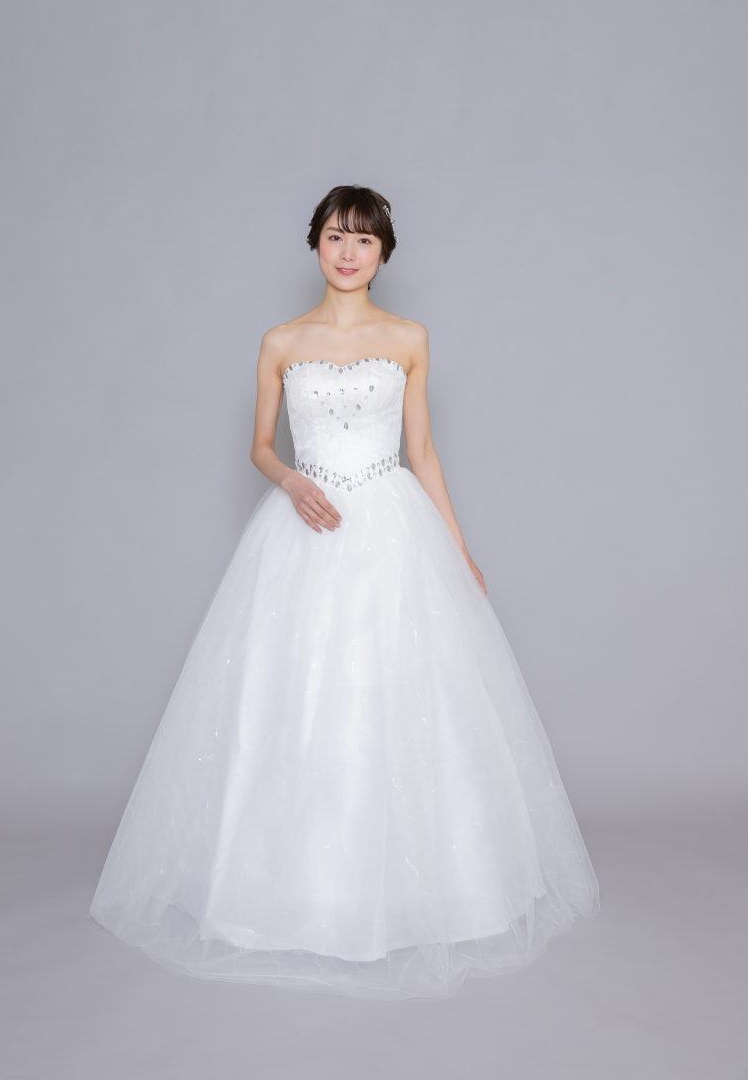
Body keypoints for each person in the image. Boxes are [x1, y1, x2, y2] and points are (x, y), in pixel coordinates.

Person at [89, 185, 598, 999]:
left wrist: (459, 550)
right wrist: (293, 481)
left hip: (394, 528)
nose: (349, 252)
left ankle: (419, 894)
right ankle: (296, 895)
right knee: (293, 695)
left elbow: (423, 452)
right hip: (308, 524)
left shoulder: (409, 338)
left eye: (364, 239)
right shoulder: (281, 341)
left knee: (403, 695)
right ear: (316, 245)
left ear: (384, 252)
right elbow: (259, 445)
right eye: (335, 236)